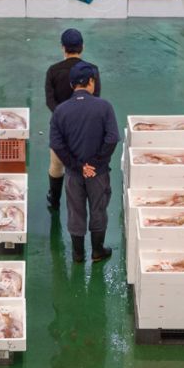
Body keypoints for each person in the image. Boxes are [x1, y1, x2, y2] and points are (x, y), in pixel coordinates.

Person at [50, 62, 119, 263]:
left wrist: (77, 166)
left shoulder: (60, 111)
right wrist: (95, 164)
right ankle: (97, 251)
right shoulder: (104, 107)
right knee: (98, 208)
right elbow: (112, 138)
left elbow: (57, 144)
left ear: (72, 85)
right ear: (91, 82)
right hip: (98, 173)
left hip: (74, 174)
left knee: (75, 210)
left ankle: (78, 254)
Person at [44, 28, 101, 212]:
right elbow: (95, 97)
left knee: (56, 165)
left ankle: (55, 200)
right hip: (86, 126)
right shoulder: (92, 70)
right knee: (87, 164)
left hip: (61, 127)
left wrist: (63, 115)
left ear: (63, 48)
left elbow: (50, 101)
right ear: (82, 47)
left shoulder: (53, 71)